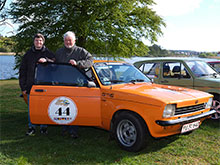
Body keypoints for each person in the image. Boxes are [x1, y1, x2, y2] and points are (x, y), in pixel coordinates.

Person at [55, 31, 93, 138]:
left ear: (74, 41)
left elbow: (90, 60)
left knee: (73, 107)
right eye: (66, 40)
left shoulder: (80, 51)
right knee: (62, 106)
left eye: (70, 40)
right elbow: (54, 66)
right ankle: (64, 128)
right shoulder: (59, 52)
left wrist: (78, 63)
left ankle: (73, 130)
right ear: (64, 41)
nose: (68, 42)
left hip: (76, 85)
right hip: (62, 84)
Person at [19, 33, 55, 136]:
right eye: (36, 41)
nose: (38, 42)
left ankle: (44, 127)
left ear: (43, 42)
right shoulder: (28, 54)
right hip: (31, 86)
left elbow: (55, 65)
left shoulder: (48, 53)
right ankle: (32, 127)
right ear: (34, 42)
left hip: (45, 86)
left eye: (40, 41)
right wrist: (23, 87)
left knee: (44, 107)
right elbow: (22, 71)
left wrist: (46, 60)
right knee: (32, 108)